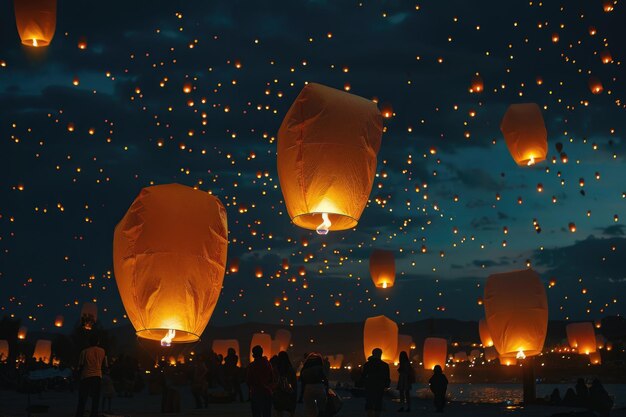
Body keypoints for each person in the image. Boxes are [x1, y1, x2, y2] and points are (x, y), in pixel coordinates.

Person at [75, 334, 108, 417]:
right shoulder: (102, 351)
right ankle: (94, 414)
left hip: (86, 376)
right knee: (96, 398)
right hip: (97, 376)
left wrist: (78, 376)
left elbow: (81, 365)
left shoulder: (84, 351)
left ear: (89, 342)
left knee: (83, 398)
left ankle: (79, 414)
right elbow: (105, 365)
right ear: (98, 342)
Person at [246, 345, 274, 417]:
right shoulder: (268, 364)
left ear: (254, 354)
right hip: (267, 391)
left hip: (256, 392)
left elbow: (249, 380)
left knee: (256, 413)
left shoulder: (252, 366)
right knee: (267, 413)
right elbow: (272, 377)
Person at [300, 353, 328, 417]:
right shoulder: (319, 368)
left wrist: (301, 396)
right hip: (319, 387)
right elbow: (325, 380)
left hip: (308, 388)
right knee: (321, 410)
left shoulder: (304, 370)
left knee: (311, 412)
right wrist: (327, 390)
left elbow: (303, 383)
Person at [273, 351, 297, 417]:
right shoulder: (290, 369)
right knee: (291, 411)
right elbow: (294, 383)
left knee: (279, 412)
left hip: (279, 393)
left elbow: (273, 381)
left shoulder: (275, 369)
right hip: (289, 392)